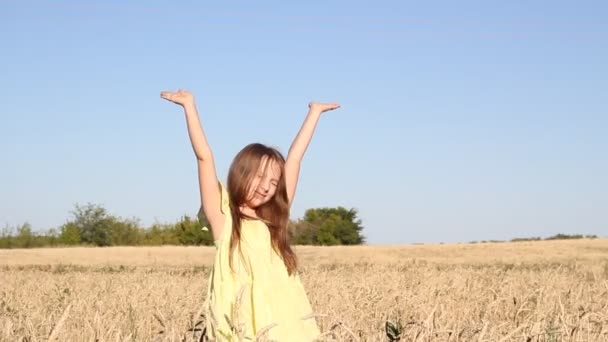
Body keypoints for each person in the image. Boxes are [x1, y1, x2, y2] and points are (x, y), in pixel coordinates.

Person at [160, 89, 340, 341]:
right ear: (241, 172)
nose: (267, 186)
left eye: (273, 181)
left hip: (284, 317)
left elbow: (296, 159)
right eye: (259, 177)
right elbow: (204, 158)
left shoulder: (274, 219)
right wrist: (189, 106)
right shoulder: (223, 218)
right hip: (239, 319)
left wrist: (314, 114)